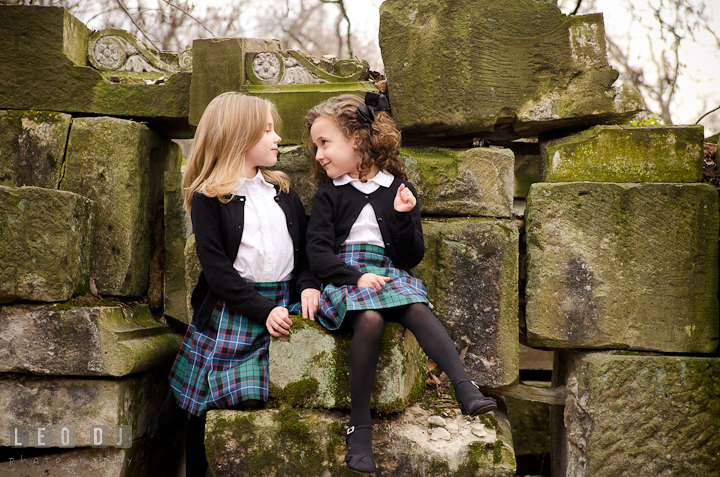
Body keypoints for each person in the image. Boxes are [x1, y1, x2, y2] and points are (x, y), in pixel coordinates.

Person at [303, 93, 497, 474]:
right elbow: (318, 254)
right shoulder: (329, 194)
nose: (318, 154)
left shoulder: (397, 188)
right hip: (345, 277)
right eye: (315, 146)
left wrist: (405, 216)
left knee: (415, 305)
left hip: (388, 272)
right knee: (371, 319)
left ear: (357, 140)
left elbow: (410, 257)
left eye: (325, 143)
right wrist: (356, 276)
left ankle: (463, 386)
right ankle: (359, 426)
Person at [154, 92, 320, 475]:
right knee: (200, 401)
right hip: (232, 308)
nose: (278, 137)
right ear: (238, 136)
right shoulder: (211, 197)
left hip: (282, 304)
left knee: (250, 395)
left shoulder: (283, 191)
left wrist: (307, 286)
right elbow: (218, 271)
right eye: (267, 130)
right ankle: (175, 445)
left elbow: (305, 255)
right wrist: (263, 311)